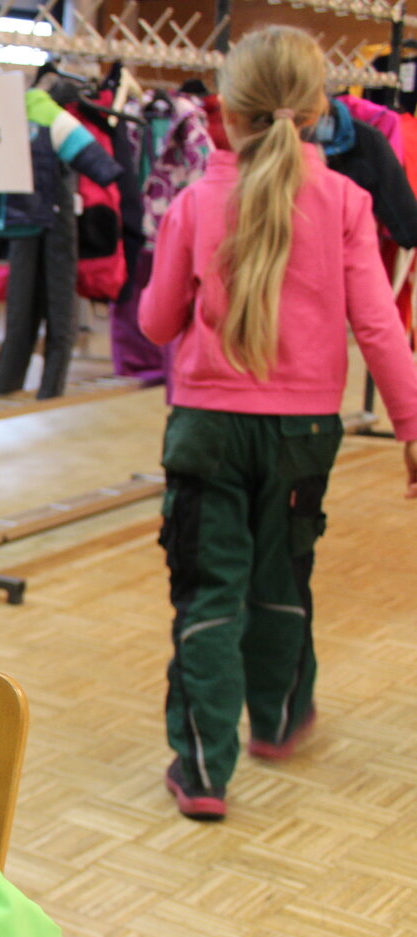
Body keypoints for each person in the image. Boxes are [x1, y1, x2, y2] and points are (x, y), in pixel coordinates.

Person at [140, 26, 417, 822]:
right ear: (320, 113)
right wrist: (410, 427)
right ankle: (283, 719)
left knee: (209, 592)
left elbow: (158, 323)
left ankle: (200, 770)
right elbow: (379, 326)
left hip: (206, 430)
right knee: (282, 576)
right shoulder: (347, 203)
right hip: (304, 436)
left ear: (224, 114)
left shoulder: (195, 202)